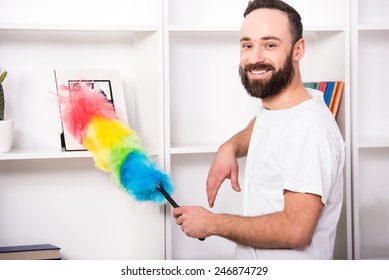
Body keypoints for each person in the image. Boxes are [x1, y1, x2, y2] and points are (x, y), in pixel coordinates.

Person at [173, 0, 345, 259]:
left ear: (298, 50)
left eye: (270, 44)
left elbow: (295, 231)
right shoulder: (283, 108)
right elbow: (267, 124)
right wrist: (230, 147)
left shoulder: (309, 130)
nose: (255, 58)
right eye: (247, 45)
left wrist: (211, 223)